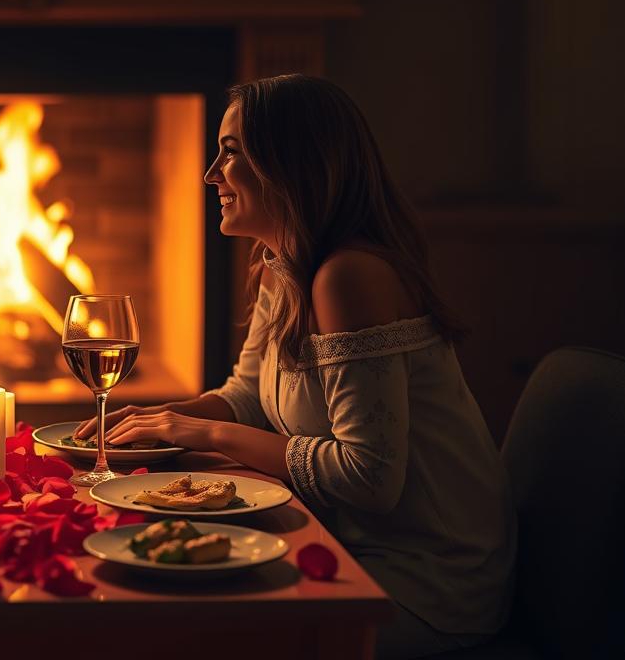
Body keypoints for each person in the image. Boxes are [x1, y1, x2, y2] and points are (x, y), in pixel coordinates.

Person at [77, 74, 514, 658]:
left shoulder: (349, 277)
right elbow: (250, 396)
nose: (211, 174)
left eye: (230, 153)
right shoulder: (284, 266)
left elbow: (369, 476)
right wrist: (157, 419)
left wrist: (200, 432)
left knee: (174, 630)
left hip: (425, 583)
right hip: (345, 545)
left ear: (291, 164)